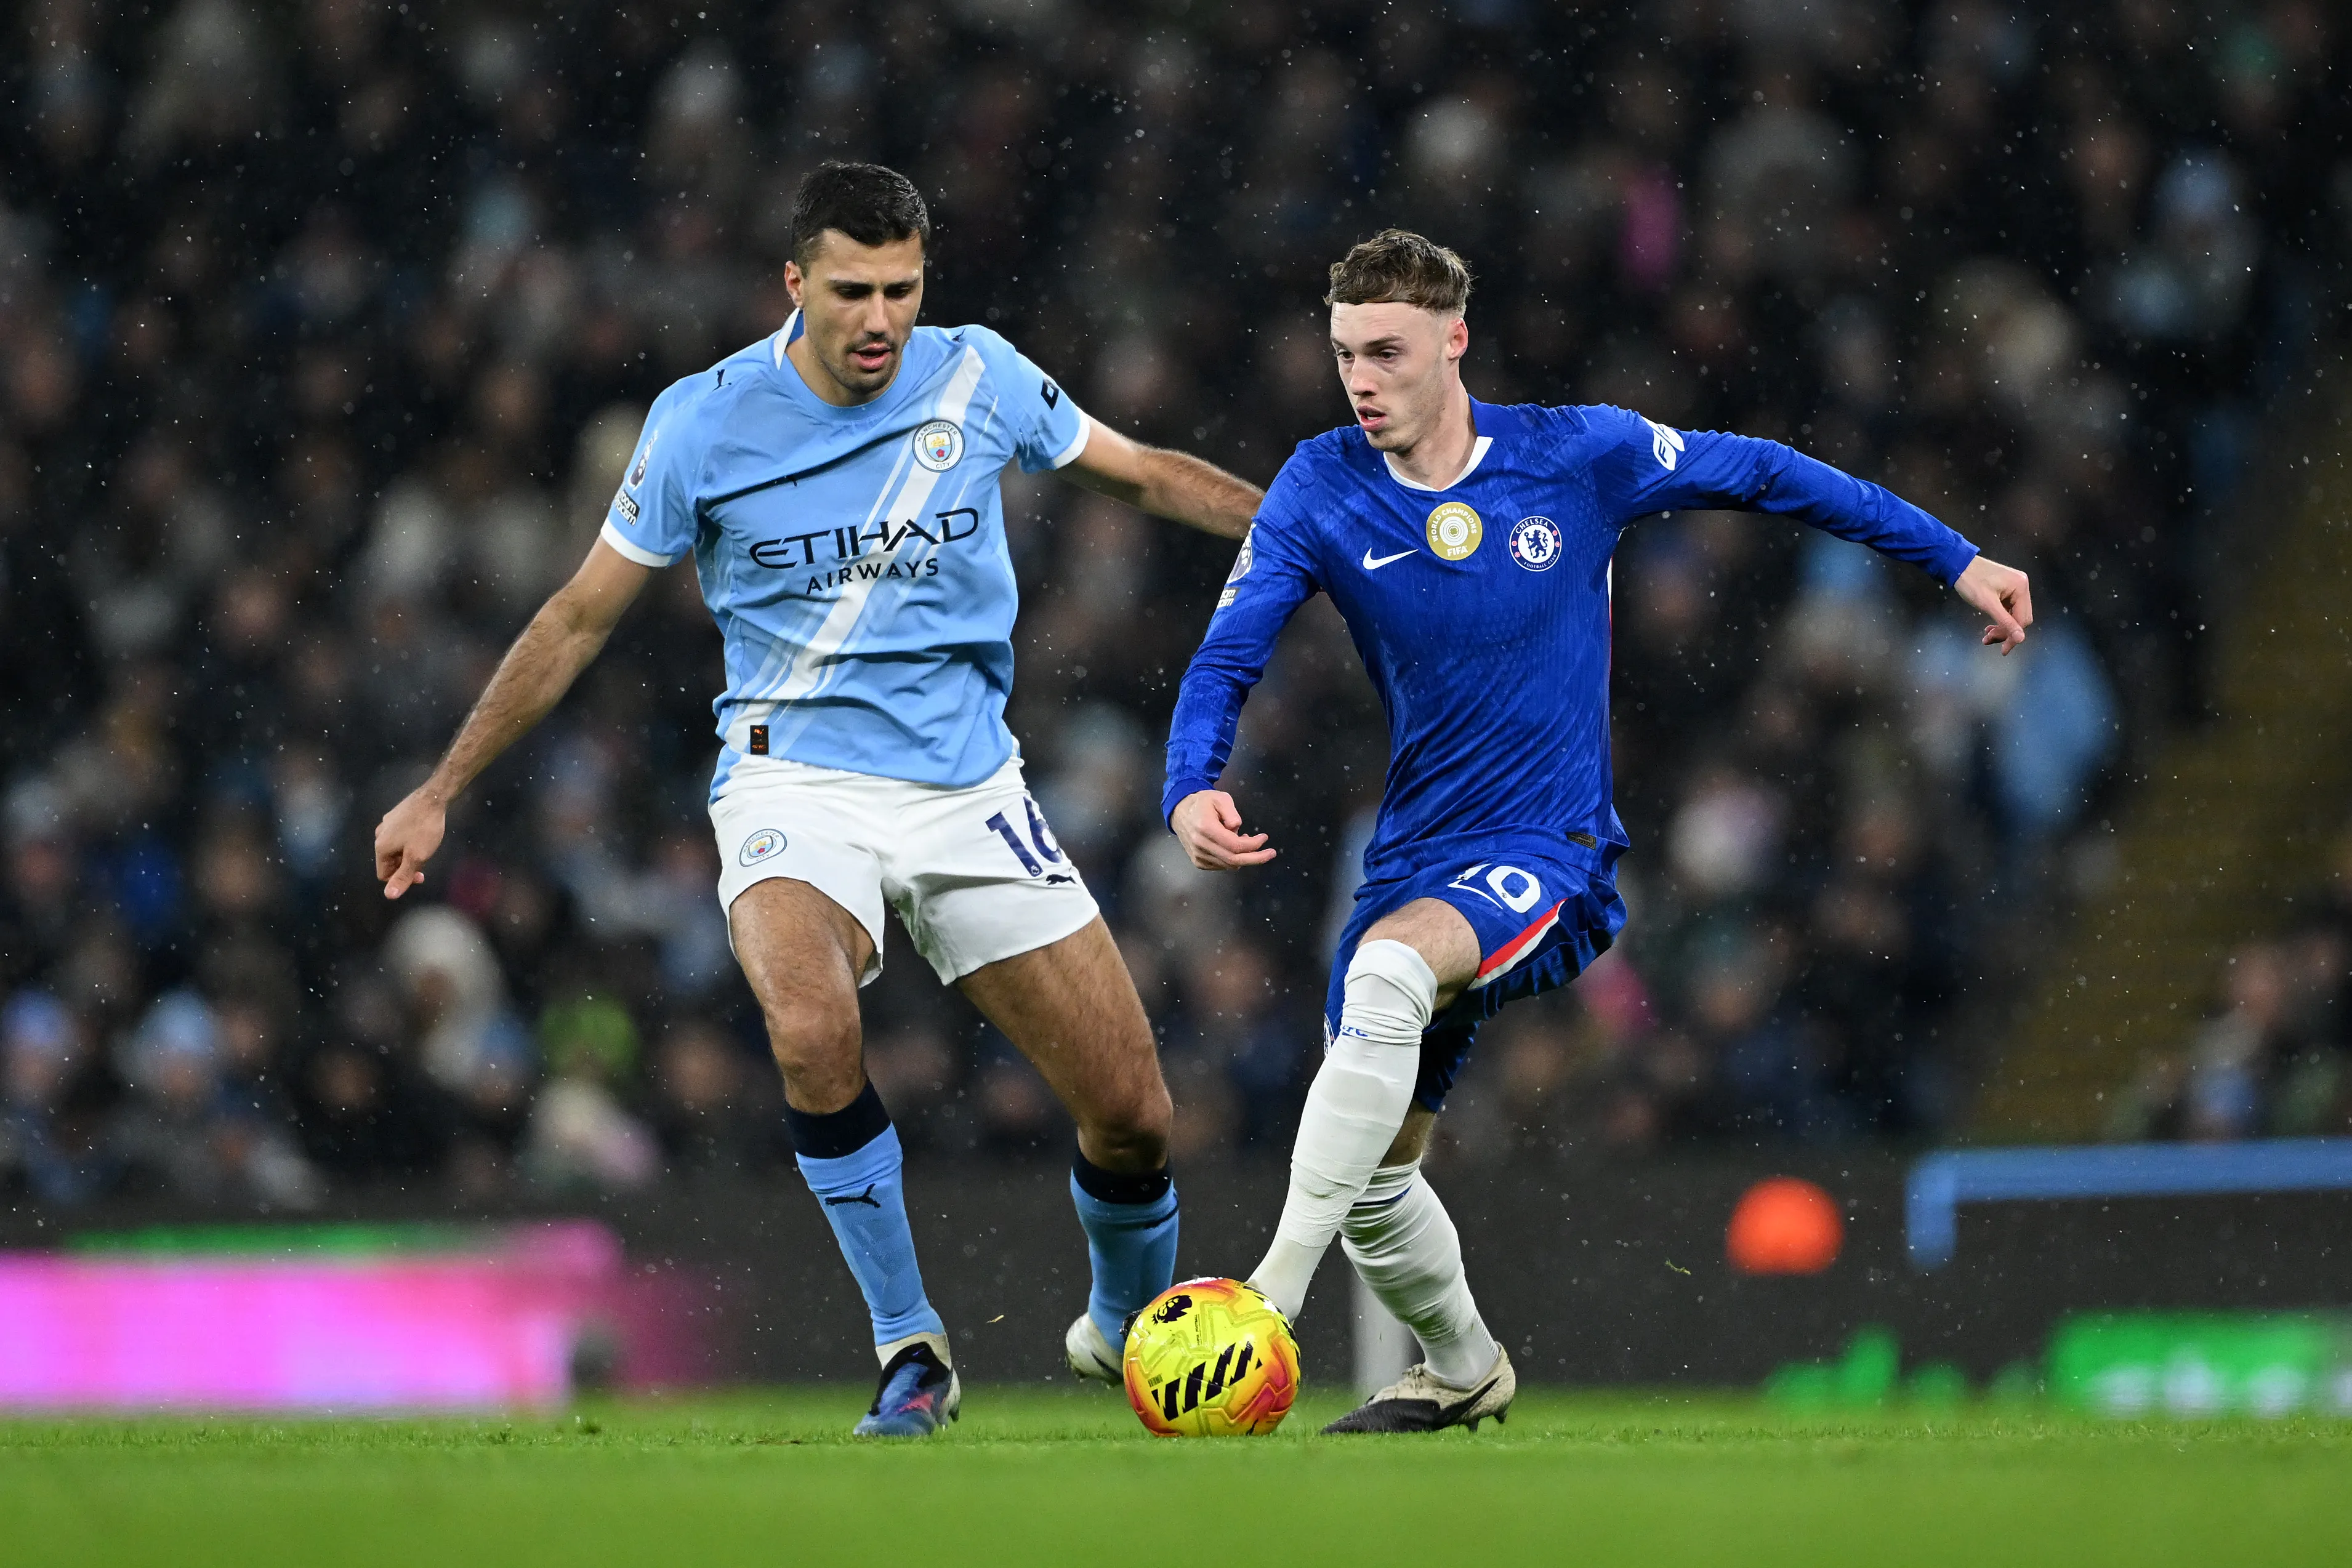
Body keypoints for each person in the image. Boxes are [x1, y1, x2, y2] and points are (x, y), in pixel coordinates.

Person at [375, 163, 1263, 1436]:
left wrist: (1298, 537)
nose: (879, 320)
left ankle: (1126, 1329)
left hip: (967, 785)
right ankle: (911, 1349)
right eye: (852, 290)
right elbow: (577, 618)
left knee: (1130, 1113)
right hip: (793, 777)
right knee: (806, 1022)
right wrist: (442, 784)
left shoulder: (980, 375)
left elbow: (1140, 475)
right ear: (794, 284)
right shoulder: (701, 423)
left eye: (901, 289)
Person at [1162, 230, 2032, 1433]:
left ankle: (1263, 1297)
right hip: (1413, 854)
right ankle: (1462, 1366)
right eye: (1344, 353)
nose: (1360, 378)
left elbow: (1773, 474)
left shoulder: (1578, 454)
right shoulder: (1319, 485)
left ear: (1452, 342)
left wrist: (1952, 556)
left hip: (1546, 850)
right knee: (1373, 1181)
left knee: (1383, 977)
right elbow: (1228, 649)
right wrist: (1188, 782)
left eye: (1387, 352)